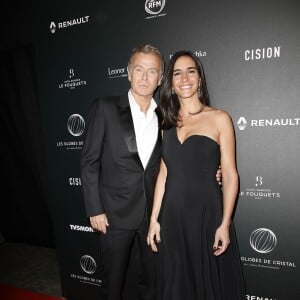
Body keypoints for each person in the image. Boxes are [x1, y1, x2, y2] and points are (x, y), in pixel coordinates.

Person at [81, 45, 222, 300]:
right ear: (128, 73)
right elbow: (89, 161)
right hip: (113, 216)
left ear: (160, 79)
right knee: (112, 285)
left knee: (153, 285)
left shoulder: (167, 117)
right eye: (139, 70)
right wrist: (94, 209)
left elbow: (178, 160)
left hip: (155, 218)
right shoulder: (105, 107)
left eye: (152, 72)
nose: (145, 77)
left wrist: (213, 169)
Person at [147, 50, 245, 299]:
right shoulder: (166, 124)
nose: (185, 78)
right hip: (172, 217)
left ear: (199, 78)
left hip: (206, 214)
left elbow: (231, 175)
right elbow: (163, 175)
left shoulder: (220, 118)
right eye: (177, 73)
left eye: (191, 71)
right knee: (178, 283)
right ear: (171, 83)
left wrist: (225, 223)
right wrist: (154, 219)